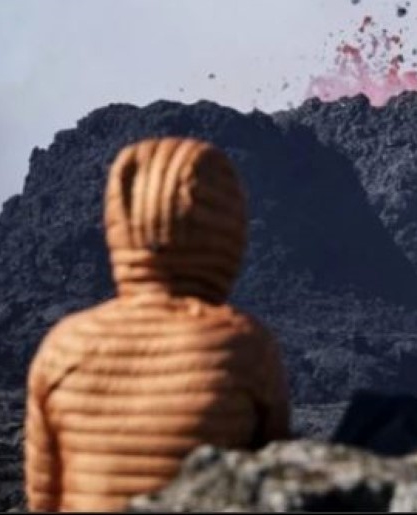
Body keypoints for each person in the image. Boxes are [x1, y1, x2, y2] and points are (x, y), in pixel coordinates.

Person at [24, 137, 290, 512]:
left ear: (119, 224)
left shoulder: (64, 346)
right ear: (227, 231)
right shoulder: (243, 347)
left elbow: (44, 494)